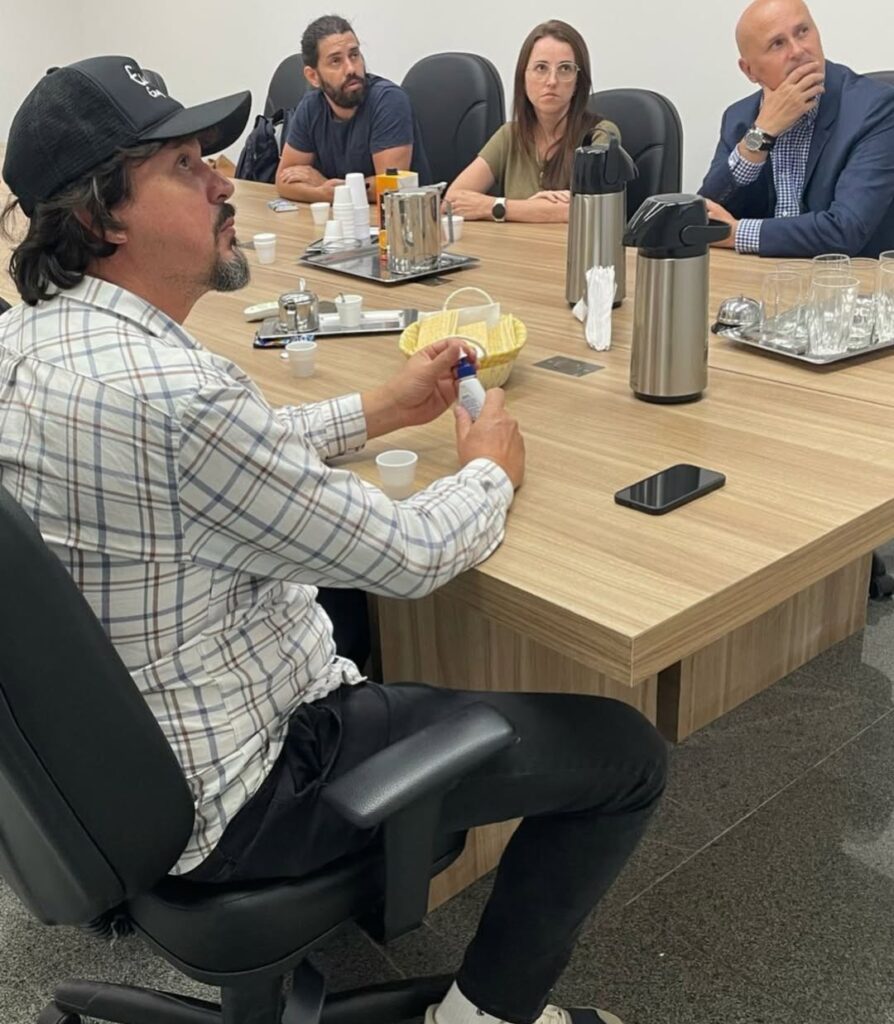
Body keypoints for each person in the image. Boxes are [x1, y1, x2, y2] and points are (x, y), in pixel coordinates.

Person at [0, 57, 666, 1024]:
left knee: (337, 606)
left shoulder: (28, 346)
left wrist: (380, 409)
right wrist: (489, 468)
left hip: (95, 779)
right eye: (186, 166)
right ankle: (481, 1015)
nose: (224, 182)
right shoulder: (181, 400)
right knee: (626, 754)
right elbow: (411, 556)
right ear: (104, 218)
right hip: (247, 796)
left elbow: (224, 462)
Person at [699, 0, 894, 258]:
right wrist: (761, 134)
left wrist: (737, 233)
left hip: (846, 278)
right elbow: (704, 216)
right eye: (777, 44)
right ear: (749, 70)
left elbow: (846, 230)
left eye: (803, 32)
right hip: (762, 274)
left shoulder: (875, 108)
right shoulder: (740, 118)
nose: (798, 50)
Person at [445, 21, 619, 224]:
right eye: (541, 68)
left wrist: (496, 207)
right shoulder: (510, 136)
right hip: (516, 244)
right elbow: (450, 202)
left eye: (565, 68)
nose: (552, 81)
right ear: (523, 77)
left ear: (578, 81)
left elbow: (590, 210)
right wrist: (532, 208)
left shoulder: (600, 135)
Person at [276, 15, 430, 203]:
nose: (351, 68)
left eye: (354, 55)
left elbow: (391, 187)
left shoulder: (389, 101)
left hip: (397, 217)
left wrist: (330, 188)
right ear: (313, 77)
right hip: (342, 216)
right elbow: (283, 181)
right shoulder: (311, 107)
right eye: (336, 61)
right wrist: (324, 192)